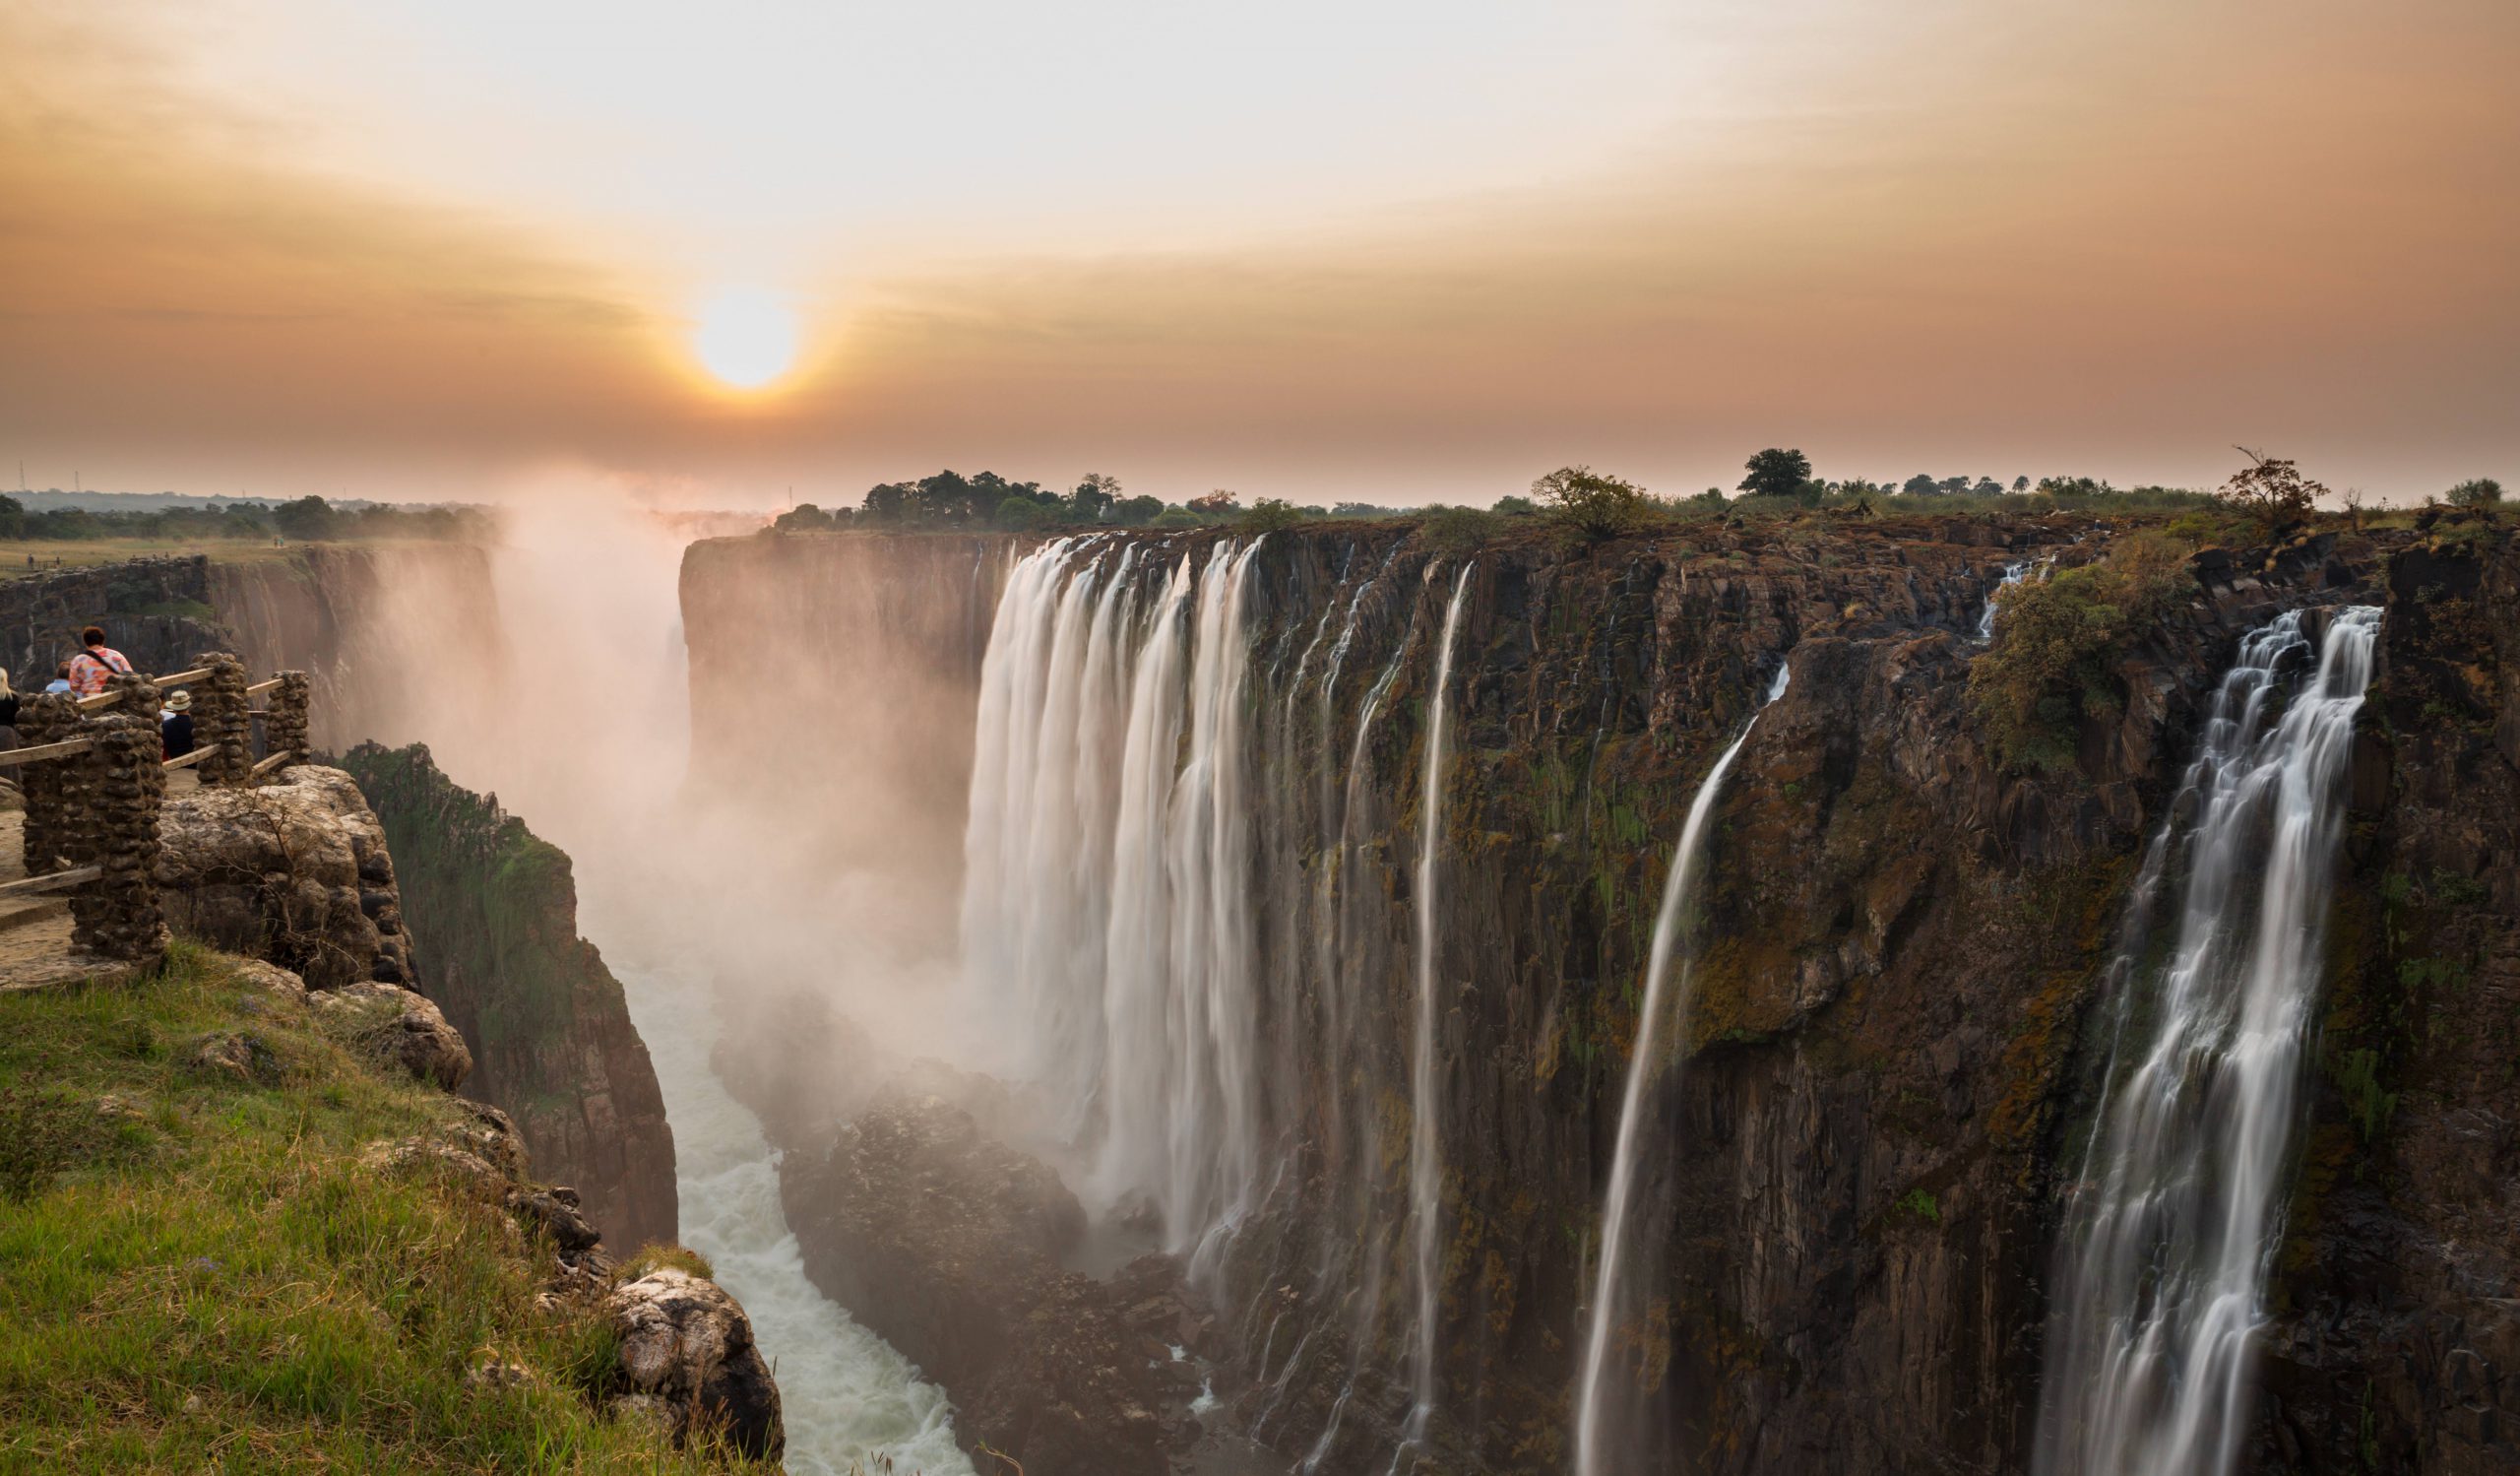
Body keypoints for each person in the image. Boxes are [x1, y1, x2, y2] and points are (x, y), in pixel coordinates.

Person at [67, 625, 132, 698]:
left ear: (85, 642)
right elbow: (130, 676)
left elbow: (73, 686)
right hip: (115, 700)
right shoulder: (117, 655)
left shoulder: (78, 660)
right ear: (103, 640)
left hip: (91, 702)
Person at [160, 688, 195, 760]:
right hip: (194, 762)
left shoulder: (166, 725)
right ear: (188, 706)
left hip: (175, 762)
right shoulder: (195, 723)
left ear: (173, 707)